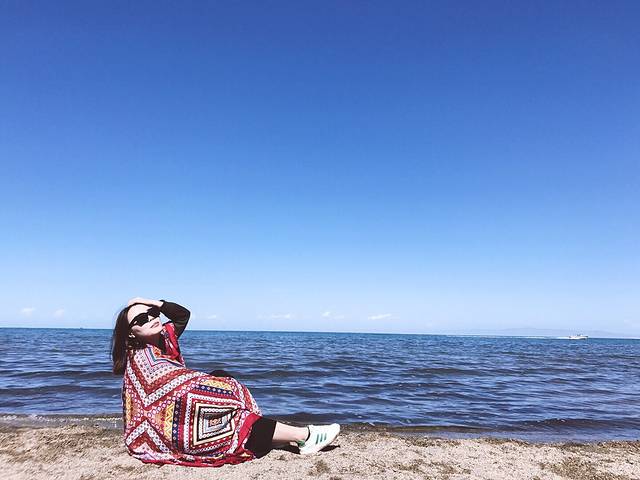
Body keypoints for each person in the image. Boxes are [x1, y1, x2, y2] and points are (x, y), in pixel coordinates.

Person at [111, 297, 340, 467]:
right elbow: (175, 385)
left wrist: (151, 302)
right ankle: (304, 437)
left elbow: (182, 315)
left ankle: (272, 434)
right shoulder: (144, 359)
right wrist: (224, 391)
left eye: (152, 313)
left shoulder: (163, 336)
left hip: (169, 410)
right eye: (141, 319)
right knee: (232, 412)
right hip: (162, 428)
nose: (151, 318)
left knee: (221, 379)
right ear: (131, 333)